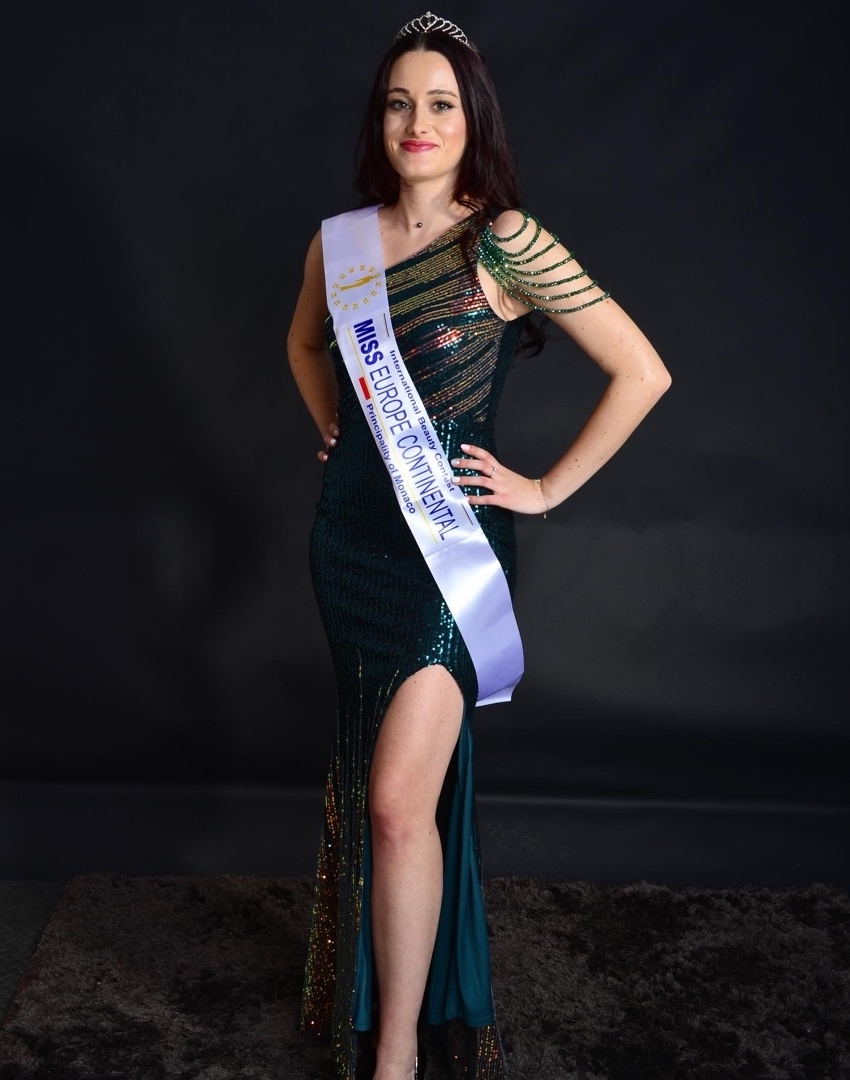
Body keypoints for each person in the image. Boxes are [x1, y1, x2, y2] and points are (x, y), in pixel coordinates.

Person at [286, 11, 671, 1080]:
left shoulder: (503, 240)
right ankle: (391, 1020)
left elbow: (642, 371)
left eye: (442, 104)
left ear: (472, 121)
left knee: (395, 804)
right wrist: (335, 423)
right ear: (381, 120)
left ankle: (398, 1052)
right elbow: (305, 343)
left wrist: (543, 490)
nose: (419, 122)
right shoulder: (339, 243)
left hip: (445, 555)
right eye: (400, 103)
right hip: (349, 542)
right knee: (380, 793)